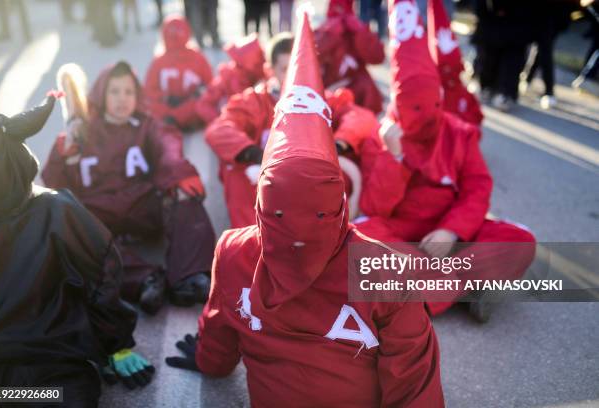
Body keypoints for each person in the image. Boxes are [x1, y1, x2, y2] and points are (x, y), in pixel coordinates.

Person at [165, 13, 445, 407]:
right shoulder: (386, 271)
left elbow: (219, 335)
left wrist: (209, 359)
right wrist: (253, 156)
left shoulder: (232, 252)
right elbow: (414, 385)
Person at [355, 0, 536, 321]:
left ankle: (424, 294)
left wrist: (451, 231)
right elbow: (374, 207)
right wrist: (393, 156)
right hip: (402, 234)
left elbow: (477, 188)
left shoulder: (459, 133)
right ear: (397, 104)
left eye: (429, 107)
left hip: (450, 233)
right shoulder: (381, 135)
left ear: (439, 100)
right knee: (361, 241)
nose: (422, 120)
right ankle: (465, 287)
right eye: (412, 109)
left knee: (520, 240)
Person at [0, 94, 154, 405]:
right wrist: (115, 344)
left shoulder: (55, 209)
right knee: (65, 397)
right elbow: (102, 276)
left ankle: (5, 398)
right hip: (53, 363)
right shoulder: (57, 208)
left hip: (2, 365)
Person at [42, 61, 216, 315]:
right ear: (101, 93)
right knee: (70, 236)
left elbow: (168, 149)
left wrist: (179, 172)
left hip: (142, 204)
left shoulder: (147, 125)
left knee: (185, 195)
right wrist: (63, 155)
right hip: (98, 214)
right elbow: (55, 184)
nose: (122, 99)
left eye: (128, 92)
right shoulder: (79, 132)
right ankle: (145, 280)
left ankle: (189, 277)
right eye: (114, 91)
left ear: (138, 95)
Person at [204, 32, 293, 228]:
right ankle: (252, 244)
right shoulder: (256, 100)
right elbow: (218, 128)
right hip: (264, 173)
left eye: (298, 68)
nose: (293, 77)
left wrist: (339, 143)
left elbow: (357, 118)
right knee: (236, 172)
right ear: (270, 70)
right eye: (285, 69)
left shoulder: (319, 101)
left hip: (303, 178)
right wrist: (253, 153)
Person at [314, 0, 386, 114]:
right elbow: (313, 61)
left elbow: (378, 57)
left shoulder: (356, 31)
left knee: (367, 86)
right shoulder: (323, 32)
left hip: (359, 102)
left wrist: (360, 31)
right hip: (330, 101)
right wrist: (329, 33)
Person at [144, 15, 214, 131]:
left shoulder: (198, 58)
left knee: (202, 102)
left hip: (189, 106)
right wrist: (166, 98)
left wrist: (193, 97)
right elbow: (148, 92)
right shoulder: (159, 61)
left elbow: (210, 87)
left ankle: (174, 120)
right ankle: (177, 120)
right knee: (147, 106)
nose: (175, 37)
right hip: (167, 107)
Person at [427, 0, 483, 127]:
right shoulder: (433, 96)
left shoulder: (465, 95)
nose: (450, 72)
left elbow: (477, 119)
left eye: (454, 67)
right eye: (445, 69)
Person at [197, 33, 266, 124]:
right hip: (230, 124)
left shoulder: (263, 79)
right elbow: (204, 105)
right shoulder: (228, 76)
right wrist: (221, 122)